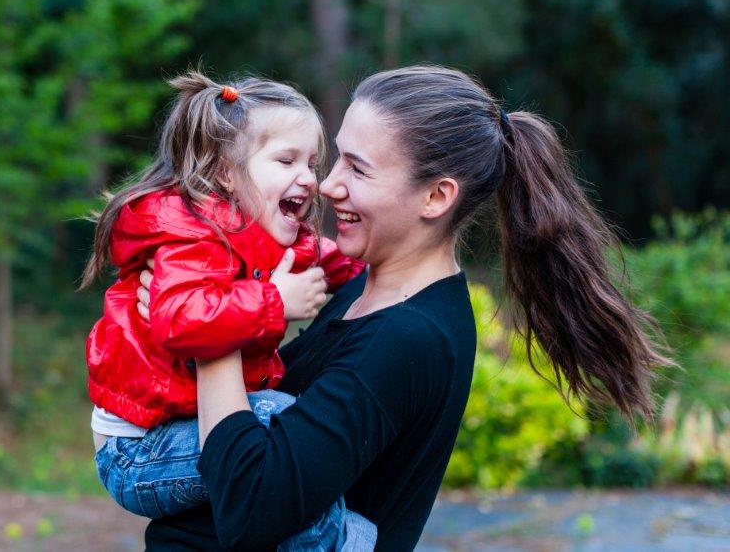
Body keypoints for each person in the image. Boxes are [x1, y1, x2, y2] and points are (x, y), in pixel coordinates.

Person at [138, 65, 671, 550]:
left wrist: (211, 330)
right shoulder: (359, 288)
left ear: (436, 198)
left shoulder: (409, 338)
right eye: (337, 157)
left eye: (358, 169)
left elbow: (251, 509)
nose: (328, 184)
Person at [80, 71, 370, 550]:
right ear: (224, 172)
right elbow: (180, 322)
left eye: (312, 163)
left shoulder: (274, 237)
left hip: (187, 429)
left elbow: (332, 259)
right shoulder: (189, 239)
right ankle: (347, 543)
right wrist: (276, 301)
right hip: (138, 451)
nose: (309, 179)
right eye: (286, 160)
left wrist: (378, 266)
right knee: (281, 425)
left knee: (284, 437)